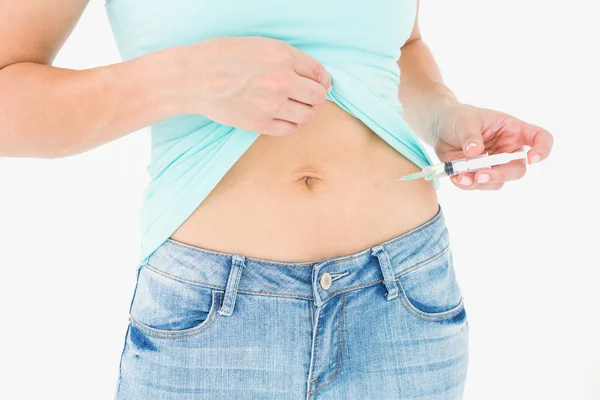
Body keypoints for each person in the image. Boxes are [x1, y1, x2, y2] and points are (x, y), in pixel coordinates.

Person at [0, 0, 553, 399]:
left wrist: (444, 116)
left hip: (405, 300)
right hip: (215, 320)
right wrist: (184, 78)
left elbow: (399, 48)